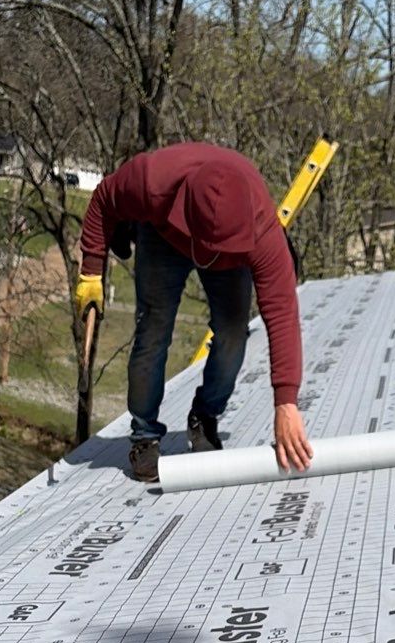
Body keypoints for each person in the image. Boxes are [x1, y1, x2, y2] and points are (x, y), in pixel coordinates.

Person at [73, 142, 314, 484]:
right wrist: (91, 273)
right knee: (153, 329)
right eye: (207, 248)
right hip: (163, 235)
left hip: (236, 247)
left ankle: (204, 416)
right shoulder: (153, 180)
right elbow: (102, 200)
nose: (208, 256)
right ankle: (144, 437)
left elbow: (283, 315)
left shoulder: (262, 231)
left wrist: (286, 402)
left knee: (233, 331)